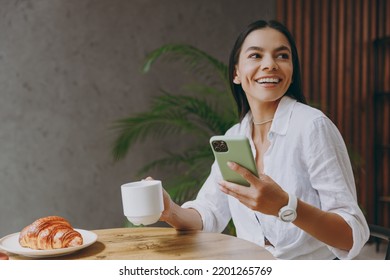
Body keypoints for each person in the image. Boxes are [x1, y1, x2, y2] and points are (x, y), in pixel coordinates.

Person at [149, 19, 369, 260]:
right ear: (236, 72)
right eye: (256, 56)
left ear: (292, 70)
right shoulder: (234, 136)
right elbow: (209, 213)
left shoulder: (312, 127)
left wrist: (286, 206)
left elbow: (350, 234)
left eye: (282, 56)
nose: (270, 65)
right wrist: (170, 210)